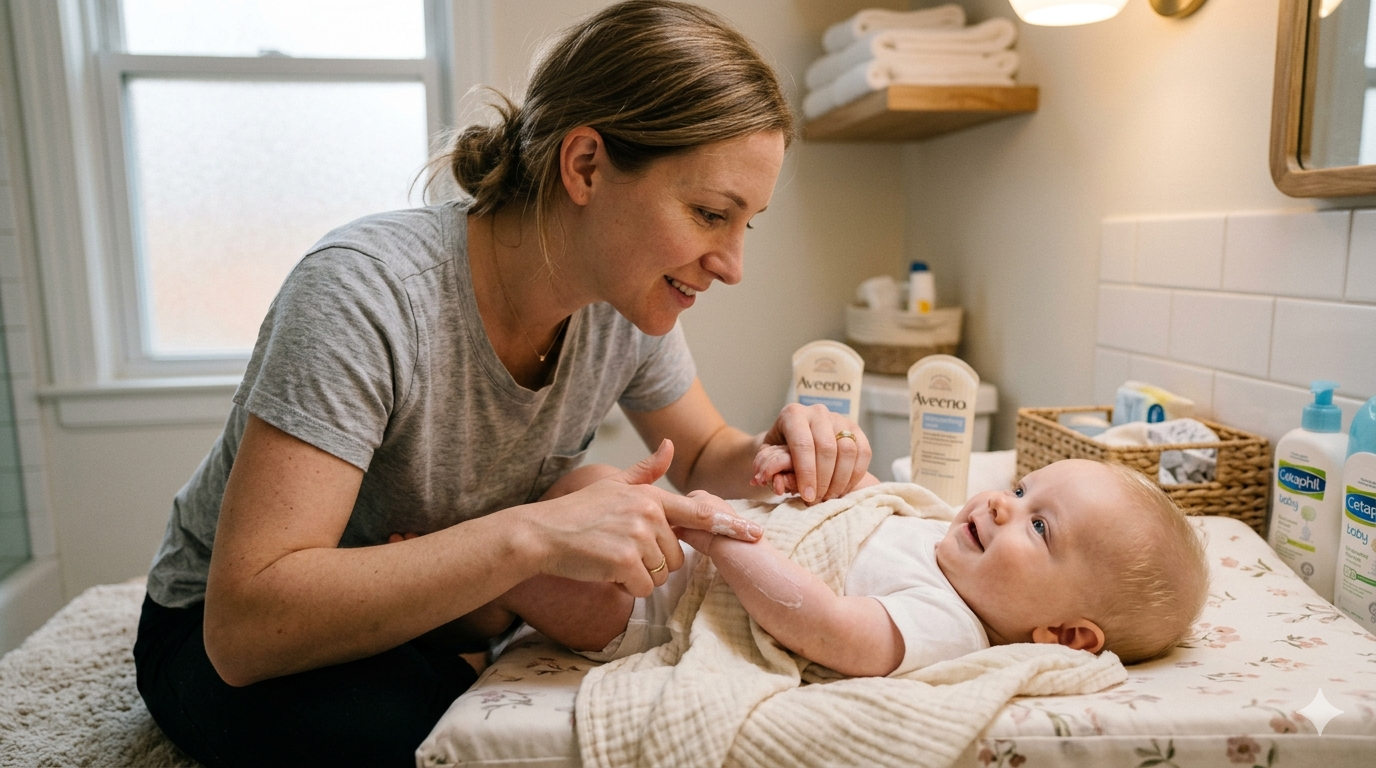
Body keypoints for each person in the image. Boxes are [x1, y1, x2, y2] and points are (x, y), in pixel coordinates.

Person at [131, 3, 876, 767]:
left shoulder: (620, 306)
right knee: (430, 740)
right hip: (219, 633)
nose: (731, 264)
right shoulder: (367, 293)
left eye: (744, 223)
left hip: (430, 611)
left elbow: (708, 449)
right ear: (585, 164)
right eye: (709, 213)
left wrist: (773, 450)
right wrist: (532, 535)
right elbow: (246, 627)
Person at [479, 457, 1210, 674]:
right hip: (676, 549)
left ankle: (466, 575)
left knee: (554, 578)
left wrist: (722, 536)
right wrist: (803, 475)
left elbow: (829, 627)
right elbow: (857, 511)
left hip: (653, 604)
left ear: (1063, 635)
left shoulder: (950, 624)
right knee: (588, 480)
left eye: (1039, 525)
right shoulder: (934, 532)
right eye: (1020, 490)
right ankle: (480, 580)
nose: (996, 505)